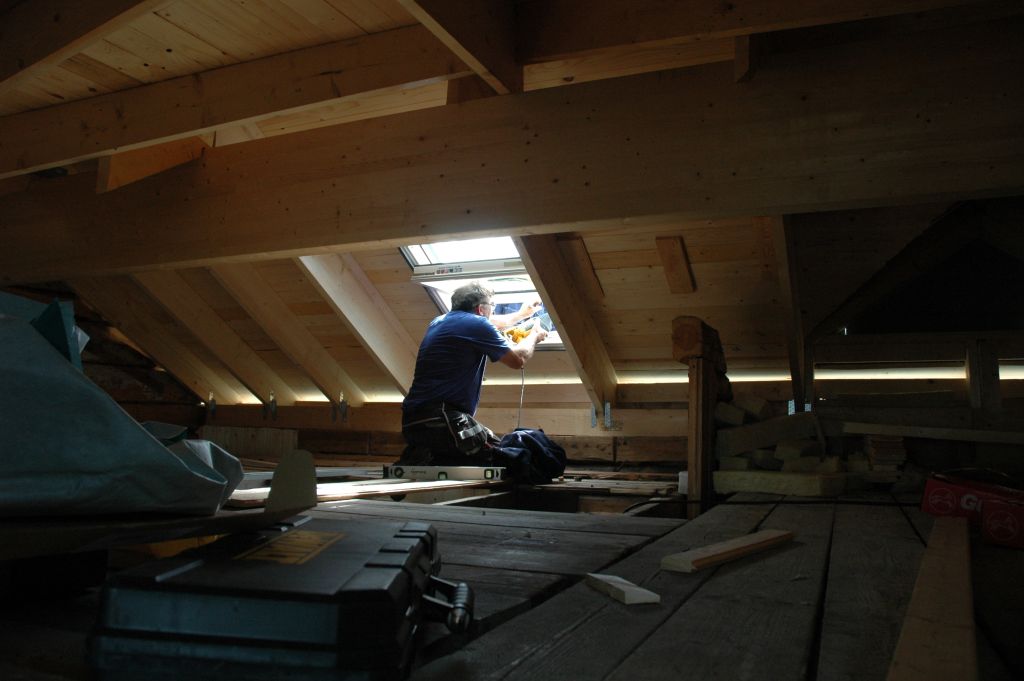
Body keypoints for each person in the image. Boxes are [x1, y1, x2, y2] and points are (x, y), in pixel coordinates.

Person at [399, 282, 547, 465]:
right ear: (480, 309)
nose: (493, 311)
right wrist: (534, 335)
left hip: (414, 421)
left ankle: (427, 457)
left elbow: (492, 323)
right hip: (443, 420)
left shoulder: (439, 321)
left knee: (487, 454)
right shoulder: (477, 324)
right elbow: (518, 359)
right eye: (492, 306)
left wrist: (522, 315)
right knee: (507, 461)